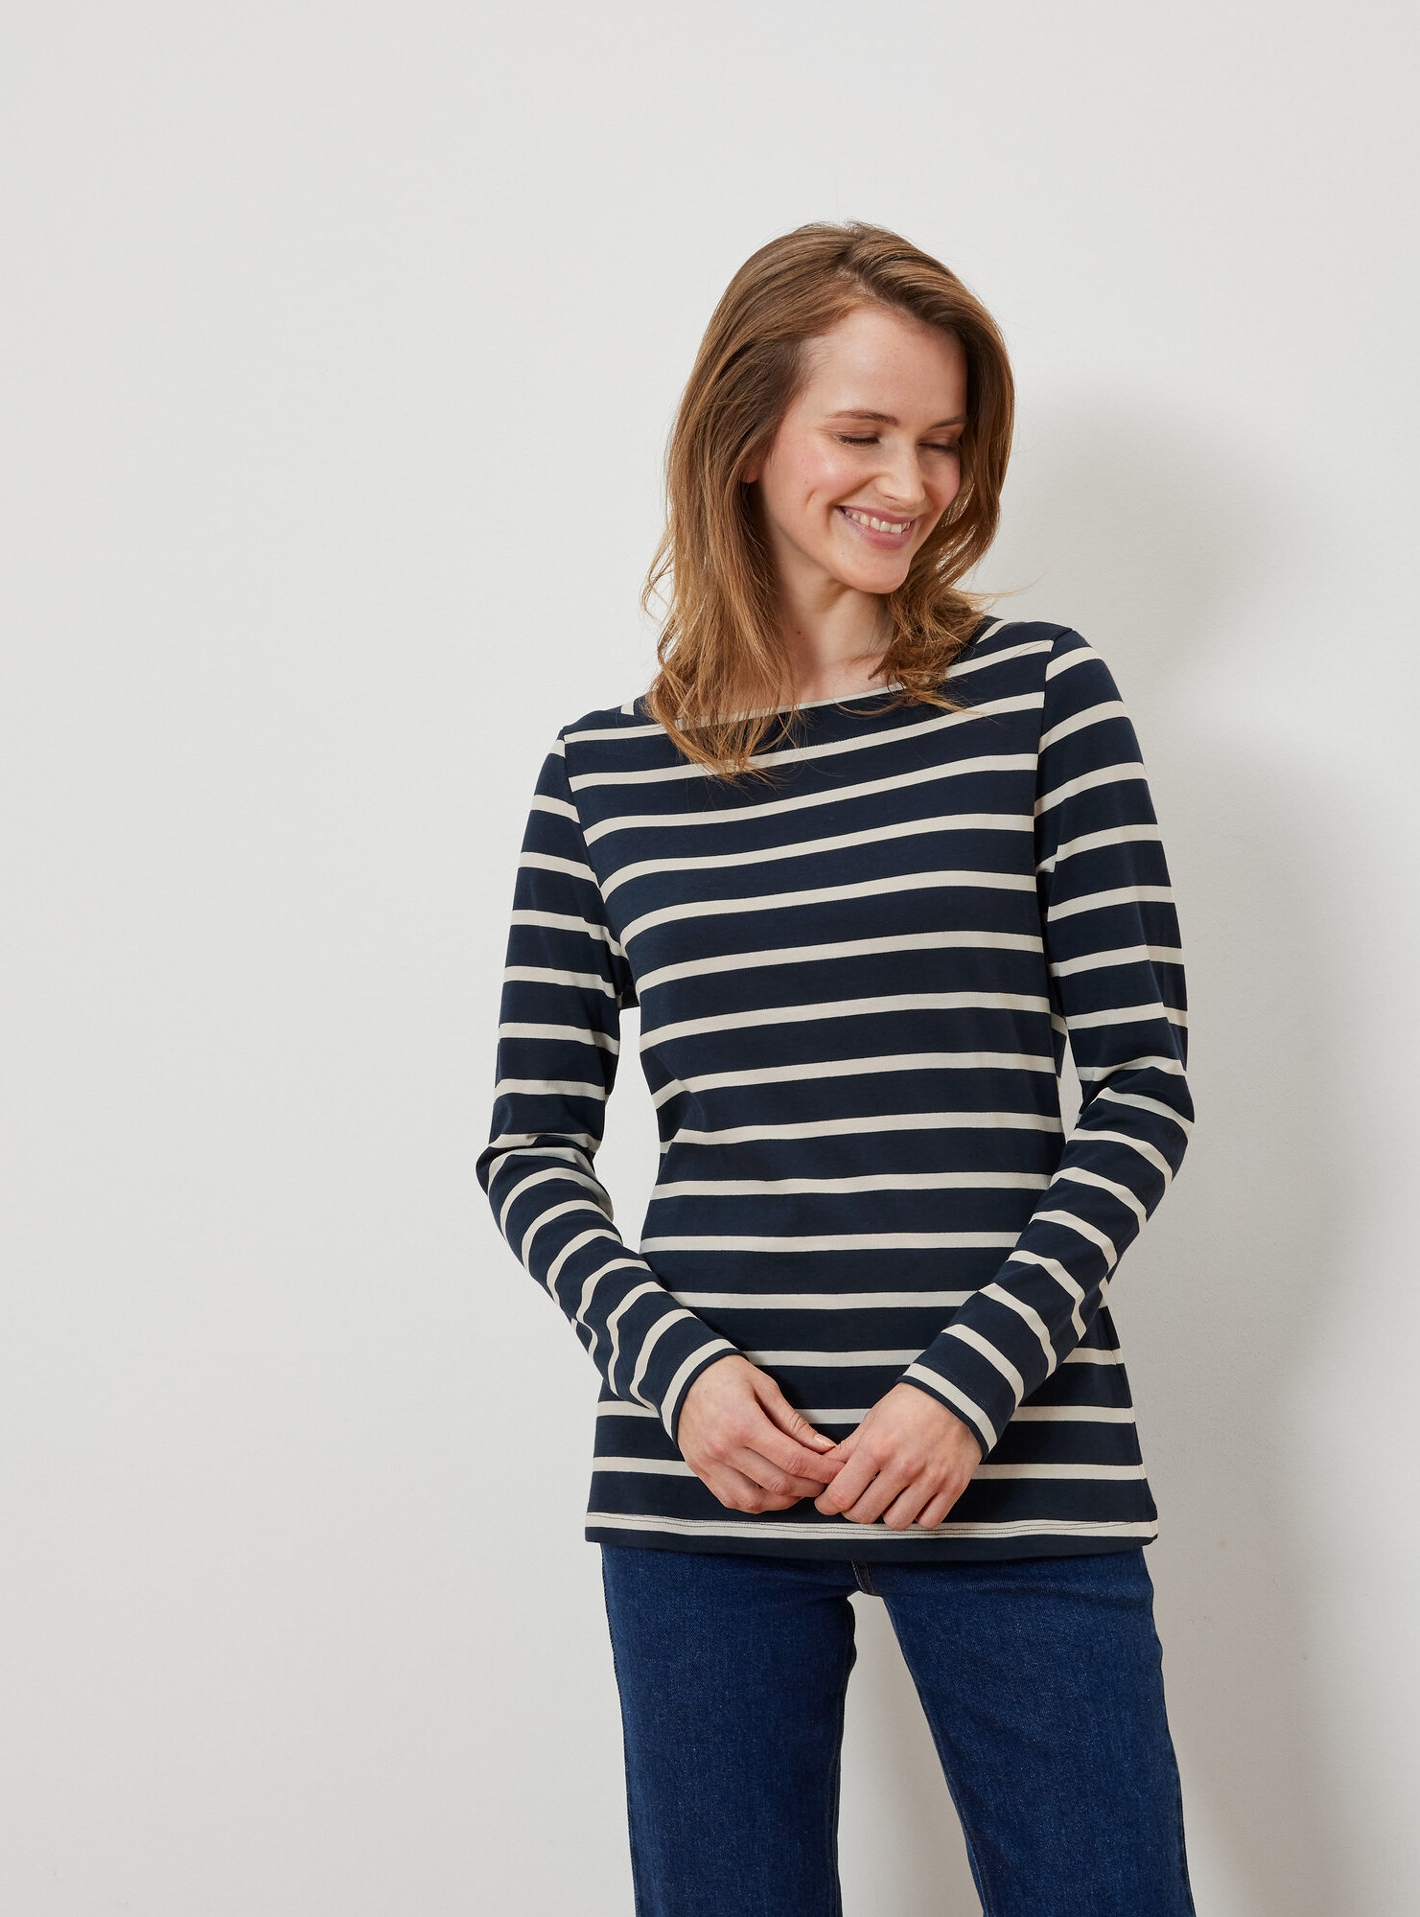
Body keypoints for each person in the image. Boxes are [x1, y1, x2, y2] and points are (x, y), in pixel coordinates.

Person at [476, 222, 1197, 1917]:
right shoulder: (599, 773)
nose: (912, 483)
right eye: (861, 435)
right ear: (746, 436)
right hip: (705, 1479)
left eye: (943, 441)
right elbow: (527, 1142)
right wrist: (676, 1370)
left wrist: (968, 1381)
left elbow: (1146, 1081)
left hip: (1013, 1455)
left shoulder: (1038, 698)